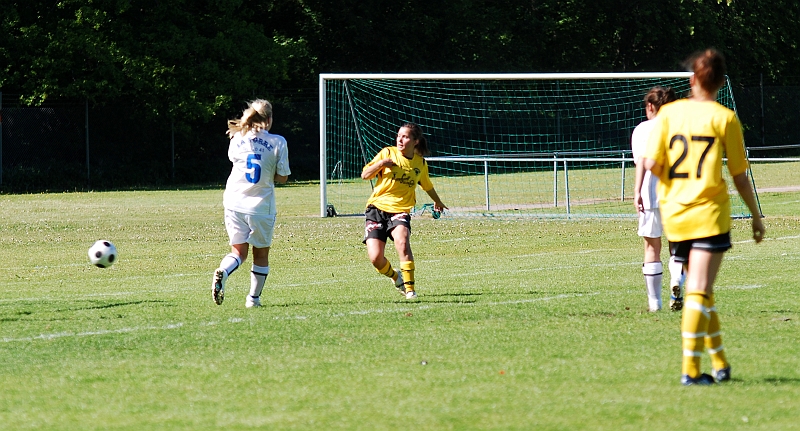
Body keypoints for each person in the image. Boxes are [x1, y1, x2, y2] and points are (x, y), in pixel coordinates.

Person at [642, 48, 765, 385]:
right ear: (721, 82)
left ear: (693, 79)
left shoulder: (669, 113)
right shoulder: (725, 118)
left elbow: (652, 163)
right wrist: (756, 216)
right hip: (709, 214)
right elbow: (739, 176)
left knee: (702, 290)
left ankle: (720, 363)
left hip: (675, 214)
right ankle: (691, 371)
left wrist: (674, 184)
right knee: (699, 289)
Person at [212, 99, 291, 308]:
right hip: (260, 206)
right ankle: (253, 300)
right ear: (269, 119)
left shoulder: (237, 138)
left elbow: (236, 162)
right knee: (261, 254)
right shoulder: (278, 142)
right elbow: (283, 177)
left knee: (238, 252)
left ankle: (224, 271)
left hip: (234, 202)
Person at [361, 122, 447, 300]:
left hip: (400, 210)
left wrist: (437, 201)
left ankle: (410, 290)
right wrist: (382, 164)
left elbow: (427, 185)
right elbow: (365, 175)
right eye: (399, 136)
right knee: (376, 258)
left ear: (415, 141)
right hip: (376, 209)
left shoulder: (420, 163)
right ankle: (395, 277)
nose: (400, 139)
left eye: (405, 136)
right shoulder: (388, 153)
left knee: (403, 242)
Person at [632, 86, 683, 312]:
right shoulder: (681, 126)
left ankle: (655, 302)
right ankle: (677, 280)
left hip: (651, 193)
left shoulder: (643, 129)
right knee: (677, 245)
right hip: (678, 192)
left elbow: (642, 162)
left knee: (652, 246)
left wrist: (637, 191)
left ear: (650, 106)